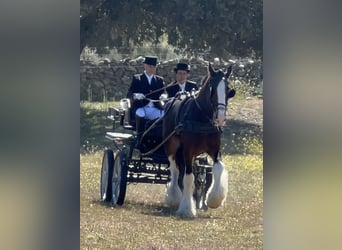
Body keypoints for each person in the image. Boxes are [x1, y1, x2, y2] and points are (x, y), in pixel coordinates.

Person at [126, 56, 165, 147]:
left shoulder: (159, 80)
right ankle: (140, 138)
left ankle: (161, 139)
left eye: (153, 67)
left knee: (164, 115)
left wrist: (164, 96)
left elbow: (164, 92)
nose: (151, 69)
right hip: (142, 107)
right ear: (145, 66)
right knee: (140, 113)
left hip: (155, 107)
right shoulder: (137, 79)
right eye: (149, 66)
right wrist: (135, 95)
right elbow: (129, 94)